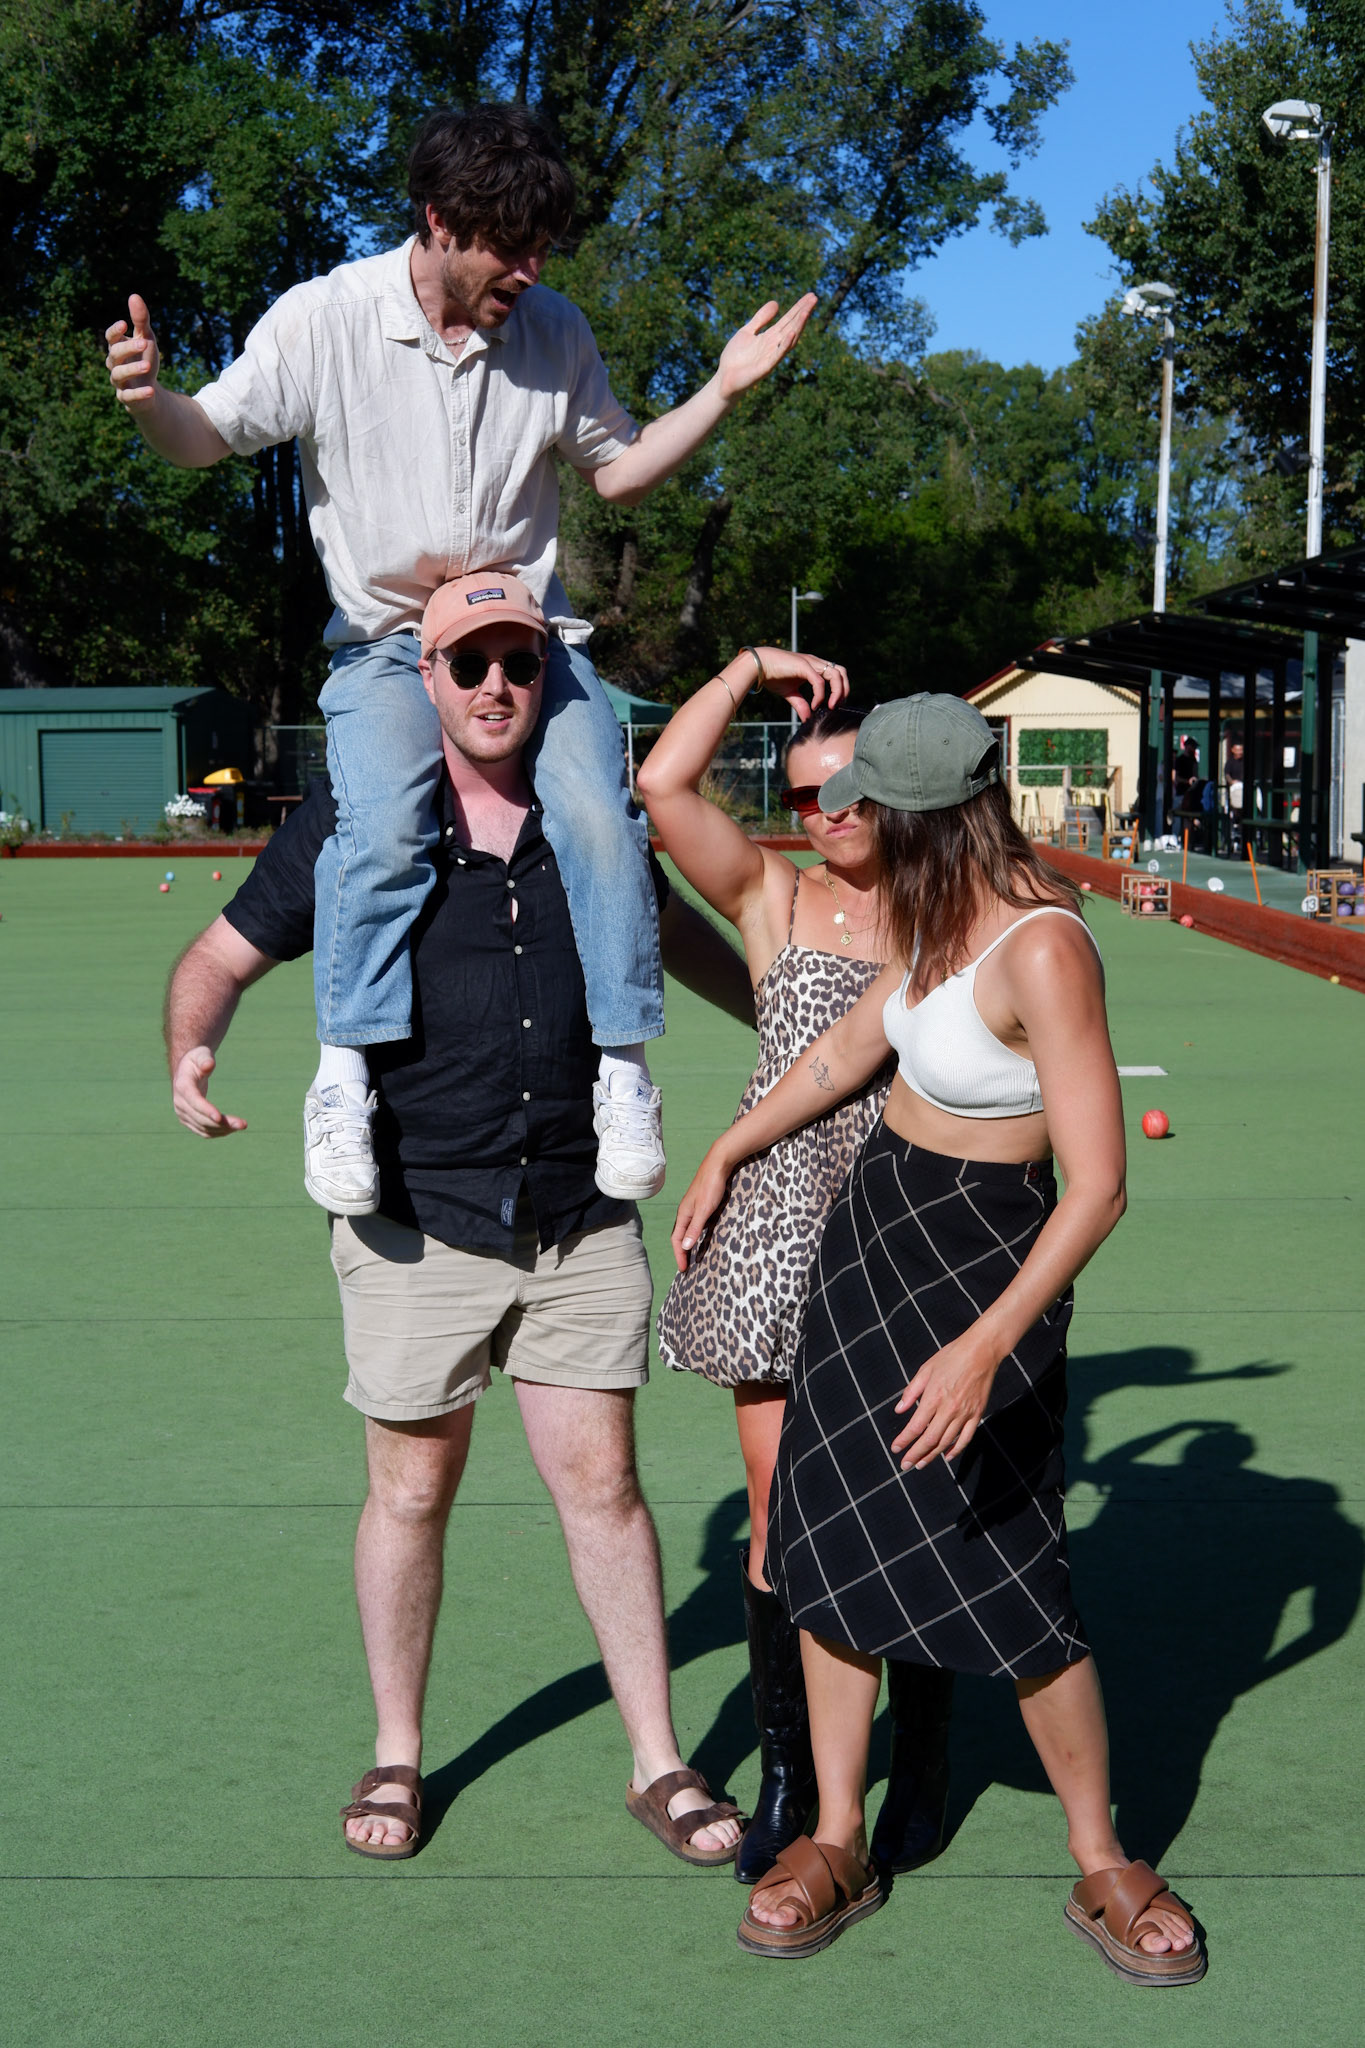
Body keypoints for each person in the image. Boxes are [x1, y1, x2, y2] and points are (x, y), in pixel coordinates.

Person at [110, 101, 815, 1215]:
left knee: (600, 816)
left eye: (543, 250)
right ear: (438, 221)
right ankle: (343, 1078)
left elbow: (619, 473)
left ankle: (624, 1073)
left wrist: (720, 390)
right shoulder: (324, 320)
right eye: (510, 248)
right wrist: (152, 399)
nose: (531, 272)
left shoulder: (554, 331)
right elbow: (206, 437)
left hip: (527, 639)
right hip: (393, 645)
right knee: (384, 821)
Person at [163, 575, 755, 1866]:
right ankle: (397, 1751)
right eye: (468, 663)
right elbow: (216, 956)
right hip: (414, 1217)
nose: (496, 685)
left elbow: (678, 938)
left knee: (604, 1487)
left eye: (519, 663)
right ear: (421, 677)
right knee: (411, 1489)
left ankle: (657, 1761)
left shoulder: (591, 829)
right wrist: (189, 1048)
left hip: (577, 1210)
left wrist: (787, 1020)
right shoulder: (355, 823)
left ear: (550, 677)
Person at [672, 694, 1207, 1982]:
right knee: (829, 1543)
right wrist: (729, 1147)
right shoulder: (928, 911)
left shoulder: (1043, 945)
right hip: (870, 1252)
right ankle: (837, 1835)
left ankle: (1101, 1855)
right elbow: (847, 1050)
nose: (841, 818)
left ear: (931, 813)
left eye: (866, 801)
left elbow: (1097, 1187)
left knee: (1015, 1568)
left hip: (984, 1268)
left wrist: (986, 1347)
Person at [635, 648, 954, 1886]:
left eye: (847, 792)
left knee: (914, 1492)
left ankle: (922, 1758)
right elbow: (664, 783)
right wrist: (750, 668)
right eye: (805, 795)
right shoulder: (776, 896)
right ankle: (791, 1776)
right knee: (778, 1512)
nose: (822, 814)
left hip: (908, 1216)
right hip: (776, 1219)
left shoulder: (953, 906)